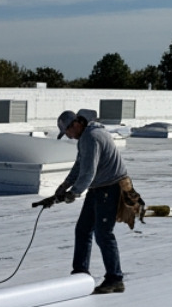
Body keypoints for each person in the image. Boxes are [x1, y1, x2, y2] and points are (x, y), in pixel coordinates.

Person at [50, 109, 132, 294]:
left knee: (103, 234)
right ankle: (80, 272)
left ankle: (115, 278)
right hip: (98, 188)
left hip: (110, 188)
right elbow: (80, 164)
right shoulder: (86, 136)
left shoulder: (91, 137)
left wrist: (74, 193)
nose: (69, 137)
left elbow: (88, 172)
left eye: (68, 132)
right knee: (83, 229)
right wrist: (66, 184)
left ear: (76, 124)